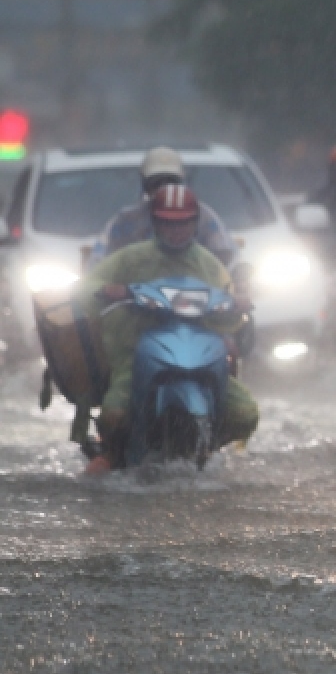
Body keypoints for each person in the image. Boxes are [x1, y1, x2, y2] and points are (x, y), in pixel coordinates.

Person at [78, 184, 259, 475]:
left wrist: (235, 305)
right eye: (167, 222)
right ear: (155, 222)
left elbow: (227, 315)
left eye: (183, 222)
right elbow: (83, 289)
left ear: (194, 222)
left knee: (244, 413)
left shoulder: (209, 265)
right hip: (136, 354)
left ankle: (209, 449)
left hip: (201, 352)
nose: (176, 230)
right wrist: (108, 290)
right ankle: (115, 452)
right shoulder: (130, 259)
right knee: (115, 413)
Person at [92, 146, 236, 266]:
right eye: (156, 183)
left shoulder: (204, 216)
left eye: (183, 222)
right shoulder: (126, 220)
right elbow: (103, 264)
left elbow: (226, 256)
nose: (163, 188)